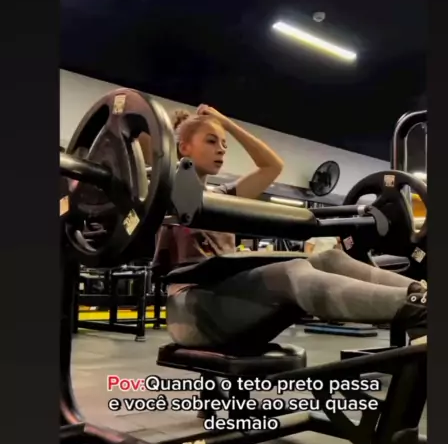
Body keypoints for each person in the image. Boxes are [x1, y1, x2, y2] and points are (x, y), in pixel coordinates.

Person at [151, 105, 427, 353]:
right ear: (184, 148)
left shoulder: (223, 195)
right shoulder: (163, 191)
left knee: (330, 258)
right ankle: (416, 308)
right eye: (211, 141)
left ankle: (421, 293)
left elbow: (272, 166)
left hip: (228, 296)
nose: (222, 149)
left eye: (224, 144)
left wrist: (226, 123)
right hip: (190, 312)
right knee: (292, 271)